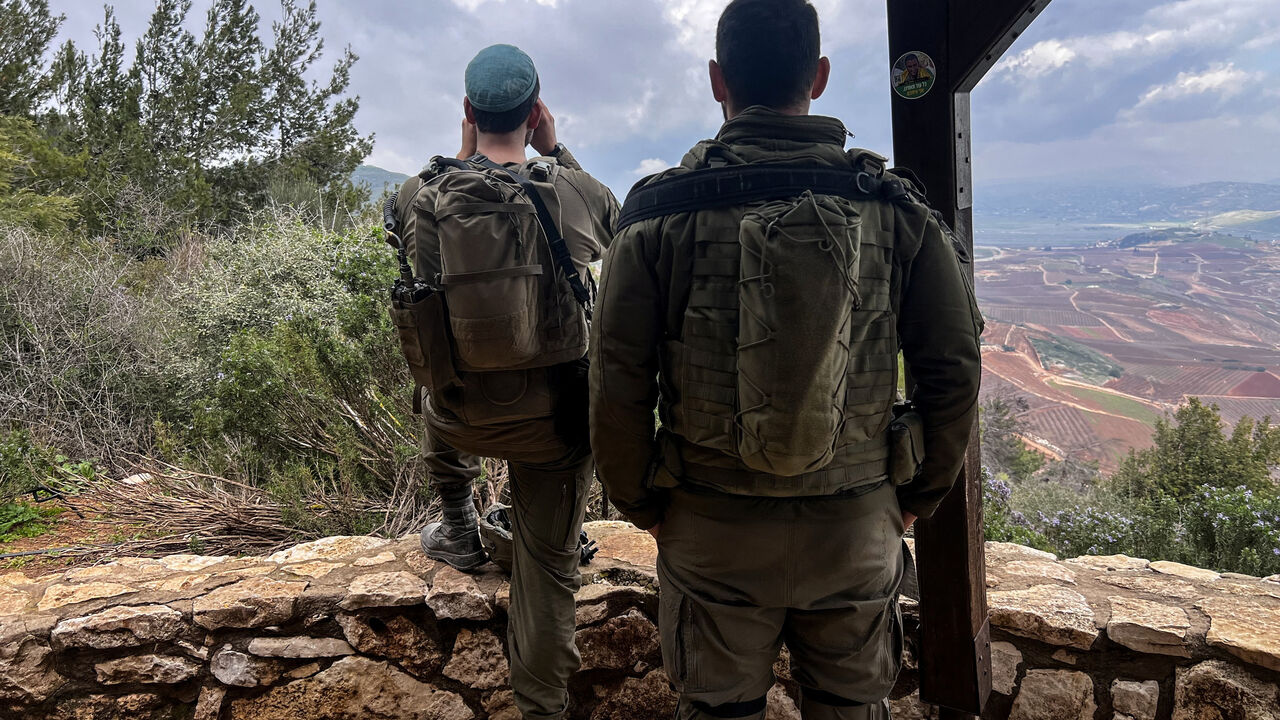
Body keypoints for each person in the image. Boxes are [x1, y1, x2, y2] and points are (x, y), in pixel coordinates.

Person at [588, 1, 982, 718]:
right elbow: (953, 373)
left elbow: (615, 385)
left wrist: (642, 504)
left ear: (717, 80)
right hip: (856, 528)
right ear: (820, 76)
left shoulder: (657, 216)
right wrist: (911, 501)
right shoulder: (897, 213)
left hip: (710, 530)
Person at [393, 44, 619, 720]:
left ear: (468, 111)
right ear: (537, 111)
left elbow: (410, 251)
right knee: (547, 571)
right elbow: (617, 228)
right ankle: (542, 709)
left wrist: (464, 162)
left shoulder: (419, 194)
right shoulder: (573, 192)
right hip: (554, 425)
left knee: (432, 391)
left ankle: (459, 520)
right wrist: (561, 153)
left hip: (460, 415)